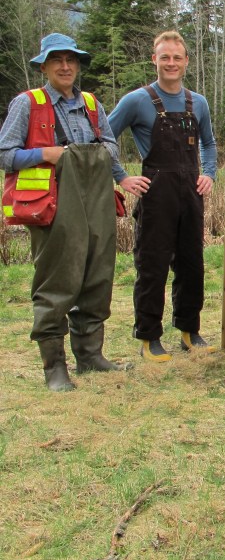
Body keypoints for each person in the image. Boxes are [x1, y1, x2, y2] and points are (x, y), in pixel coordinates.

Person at [0, 34, 139, 389]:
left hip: (96, 201)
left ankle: (90, 357)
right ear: (43, 66)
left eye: (71, 60)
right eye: (57, 60)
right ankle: (54, 369)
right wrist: (44, 154)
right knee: (57, 282)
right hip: (52, 206)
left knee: (98, 277)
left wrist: (122, 178)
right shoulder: (27, 103)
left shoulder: (92, 103)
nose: (65, 66)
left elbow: (109, 145)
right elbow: (5, 154)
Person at [108, 31, 217, 362]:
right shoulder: (136, 100)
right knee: (152, 265)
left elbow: (209, 144)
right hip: (156, 195)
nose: (171, 63)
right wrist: (122, 177)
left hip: (190, 195)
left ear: (186, 62)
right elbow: (103, 138)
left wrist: (209, 174)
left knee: (191, 265)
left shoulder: (197, 102)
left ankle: (189, 330)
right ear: (154, 60)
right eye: (164, 57)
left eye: (177, 57)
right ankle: (149, 336)